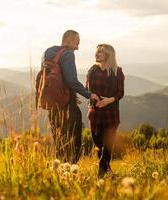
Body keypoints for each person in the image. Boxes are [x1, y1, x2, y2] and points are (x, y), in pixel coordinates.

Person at [43, 30, 100, 164]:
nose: (77, 47)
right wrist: (90, 94)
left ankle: (59, 175)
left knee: (59, 142)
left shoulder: (48, 52)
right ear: (69, 41)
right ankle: (71, 173)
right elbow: (71, 81)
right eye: (76, 43)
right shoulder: (68, 54)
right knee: (74, 142)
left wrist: (71, 95)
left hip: (52, 106)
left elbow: (53, 80)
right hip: (67, 107)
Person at [86, 44, 125, 177]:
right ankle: (108, 172)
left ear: (108, 55)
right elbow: (87, 89)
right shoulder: (92, 70)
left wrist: (108, 100)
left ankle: (101, 176)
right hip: (95, 113)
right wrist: (91, 96)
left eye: (100, 52)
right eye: (96, 51)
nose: (96, 54)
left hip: (110, 114)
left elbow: (120, 93)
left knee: (107, 145)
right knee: (98, 144)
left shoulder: (117, 72)